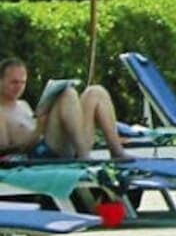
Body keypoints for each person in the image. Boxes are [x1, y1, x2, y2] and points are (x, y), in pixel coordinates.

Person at [0, 58, 129, 164]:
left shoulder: (23, 104)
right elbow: (3, 153)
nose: (19, 87)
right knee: (67, 94)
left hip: (63, 144)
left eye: (22, 83)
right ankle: (83, 156)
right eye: (14, 82)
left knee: (95, 92)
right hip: (39, 155)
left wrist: (44, 119)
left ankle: (116, 151)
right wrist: (38, 130)